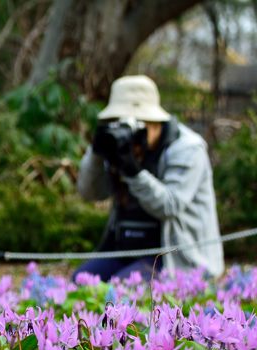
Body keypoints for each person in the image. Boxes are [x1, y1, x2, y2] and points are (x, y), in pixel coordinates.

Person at [75, 75, 224, 282]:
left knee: (121, 292)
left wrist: (133, 172)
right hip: (125, 249)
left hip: (175, 257)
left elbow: (169, 205)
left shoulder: (187, 148)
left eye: (136, 125)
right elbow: (90, 192)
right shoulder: (119, 146)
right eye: (118, 122)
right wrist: (96, 152)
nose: (128, 133)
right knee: (80, 282)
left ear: (155, 122)